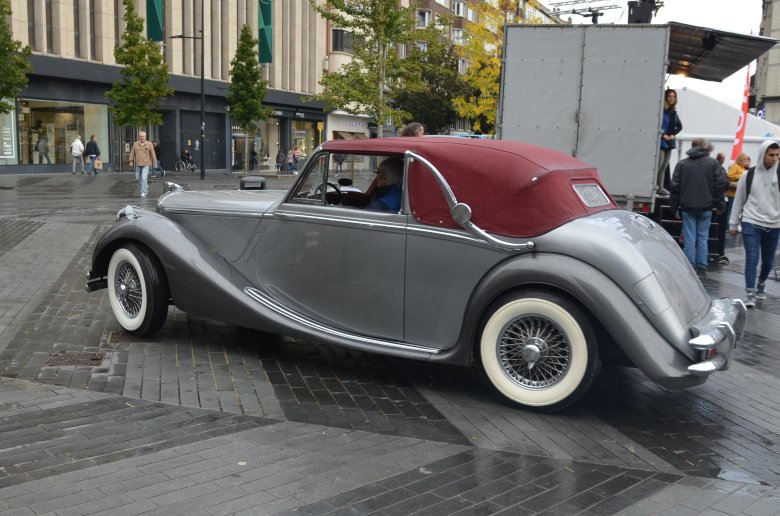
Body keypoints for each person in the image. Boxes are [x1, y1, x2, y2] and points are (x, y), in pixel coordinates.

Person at [728, 140, 780, 308]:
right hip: (751, 221)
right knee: (752, 258)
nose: (774, 158)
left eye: (777, 155)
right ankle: (749, 292)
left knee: (768, 262)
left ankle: (761, 283)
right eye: (771, 155)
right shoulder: (748, 175)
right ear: (763, 154)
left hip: (774, 224)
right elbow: (739, 200)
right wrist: (733, 224)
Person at [669, 138, 726, 281]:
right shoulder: (713, 163)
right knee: (702, 238)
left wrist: (674, 207)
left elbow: (675, 187)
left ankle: (689, 268)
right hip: (706, 206)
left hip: (687, 206)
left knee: (689, 239)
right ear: (704, 147)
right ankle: (702, 268)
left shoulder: (682, 164)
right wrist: (720, 205)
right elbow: (720, 185)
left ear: (692, 146)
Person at [656, 89, 683, 197]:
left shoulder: (673, 113)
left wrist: (673, 134)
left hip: (669, 142)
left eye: (674, 97)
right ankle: (654, 186)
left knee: (664, 166)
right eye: (670, 96)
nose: (672, 98)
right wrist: (663, 135)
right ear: (666, 97)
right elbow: (657, 125)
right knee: (659, 165)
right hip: (662, 141)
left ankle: (660, 187)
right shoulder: (661, 111)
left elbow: (679, 126)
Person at [129, 131, 157, 198]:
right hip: (138, 164)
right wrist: (131, 161)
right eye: (140, 136)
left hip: (146, 164)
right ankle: (145, 186)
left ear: (145, 136)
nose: (142, 137)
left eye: (143, 136)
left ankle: (143, 191)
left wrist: (155, 164)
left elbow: (153, 154)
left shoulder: (149, 144)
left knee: (144, 178)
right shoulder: (135, 144)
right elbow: (132, 153)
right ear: (139, 137)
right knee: (138, 178)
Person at [713, 151, 730, 264]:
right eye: (721, 158)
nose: (722, 160)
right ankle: (717, 252)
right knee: (717, 230)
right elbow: (723, 185)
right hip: (719, 202)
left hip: (718, 202)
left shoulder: (720, 169)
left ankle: (718, 252)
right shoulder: (719, 169)